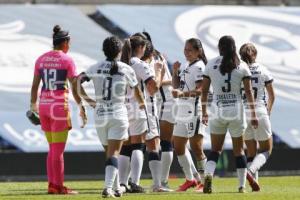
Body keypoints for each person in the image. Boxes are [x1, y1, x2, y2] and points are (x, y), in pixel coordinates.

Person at [78, 36, 146, 198]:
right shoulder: (126, 68)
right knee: (114, 154)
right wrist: (142, 103)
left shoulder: (95, 67)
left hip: (100, 114)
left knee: (110, 154)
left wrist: (87, 101)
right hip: (118, 114)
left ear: (104, 50)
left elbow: (76, 81)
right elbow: (136, 89)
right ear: (119, 51)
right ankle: (108, 188)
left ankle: (116, 188)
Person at [30, 25, 86, 195]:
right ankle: (59, 186)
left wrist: (33, 107)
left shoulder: (40, 59)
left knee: (52, 148)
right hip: (59, 107)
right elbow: (74, 86)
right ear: (65, 43)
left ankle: (52, 185)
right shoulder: (67, 60)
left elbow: (34, 87)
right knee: (58, 150)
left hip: (44, 106)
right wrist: (81, 106)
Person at [201, 35, 258, 194]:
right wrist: (253, 114)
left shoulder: (211, 64)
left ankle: (208, 175)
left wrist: (204, 111)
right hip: (236, 112)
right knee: (239, 151)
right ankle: (241, 186)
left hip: (217, 110)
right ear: (234, 47)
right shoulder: (242, 66)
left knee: (215, 150)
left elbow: (204, 91)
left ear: (219, 47)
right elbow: (248, 92)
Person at [118, 35, 162, 193]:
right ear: (140, 48)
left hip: (123, 108)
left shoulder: (121, 63)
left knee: (125, 147)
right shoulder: (138, 63)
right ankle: (134, 182)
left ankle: (122, 183)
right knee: (138, 145)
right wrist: (157, 71)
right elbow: (153, 88)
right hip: (138, 107)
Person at [172, 38, 207, 192]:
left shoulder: (200, 66)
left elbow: (201, 90)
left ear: (198, 51)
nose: (186, 52)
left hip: (194, 111)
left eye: (189, 50)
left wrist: (182, 94)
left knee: (196, 148)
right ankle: (190, 179)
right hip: (182, 111)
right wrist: (175, 72)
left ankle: (206, 182)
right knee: (178, 146)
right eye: (185, 49)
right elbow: (176, 87)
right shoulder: (186, 65)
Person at [239, 43, 275, 191]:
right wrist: (268, 111)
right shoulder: (263, 70)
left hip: (242, 114)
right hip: (259, 110)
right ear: (255, 54)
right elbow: (272, 95)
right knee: (267, 149)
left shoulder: (239, 69)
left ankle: (250, 185)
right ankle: (251, 171)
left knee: (251, 152)